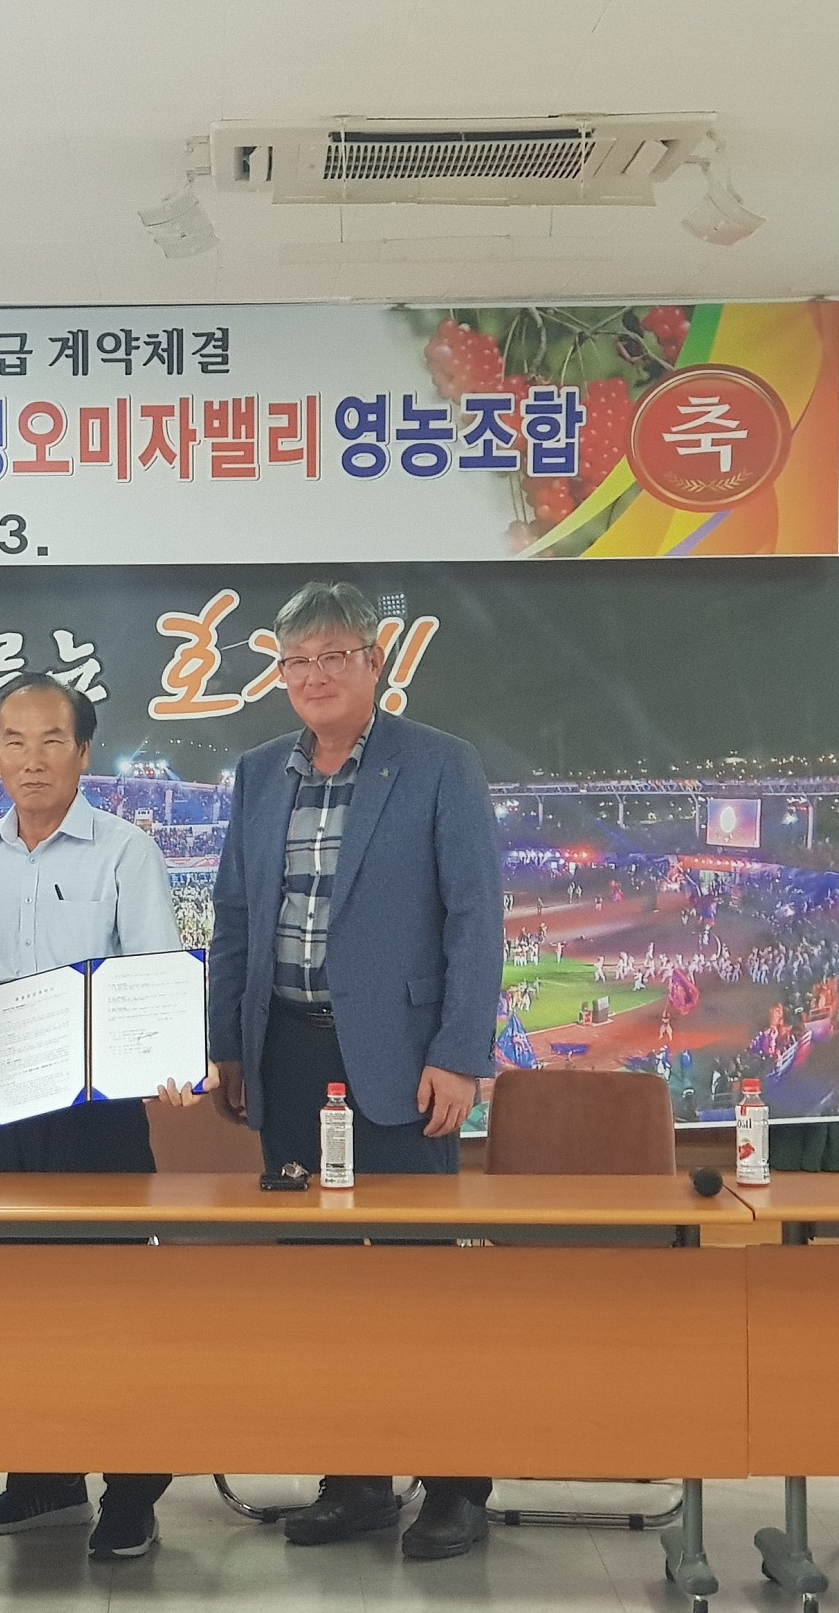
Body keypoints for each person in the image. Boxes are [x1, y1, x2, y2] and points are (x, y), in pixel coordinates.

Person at [207, 580, 503, 1561]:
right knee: (319, 1280)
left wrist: (458, 1053)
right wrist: (228, 1045)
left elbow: (475, 916)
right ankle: (356, 1478)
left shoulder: (439, 765)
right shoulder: (259, 773)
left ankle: (454, 1483)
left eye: (335, 656)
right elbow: (236, 918)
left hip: (402, 1061)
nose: (314, 676)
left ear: (374, 664)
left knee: (422, 1280)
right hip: (287, 1053)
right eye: (297, 661)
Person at [0, 674, 203, 1562]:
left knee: (110, 1296)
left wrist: (164, 1060)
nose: (32, 758)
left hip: (96, 1105)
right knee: (13, 1297)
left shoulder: (125, 850)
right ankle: (43, 1480)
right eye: (14, 740)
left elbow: (152, 967)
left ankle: (132, 1492)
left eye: (51, 740)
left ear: (83, 751)